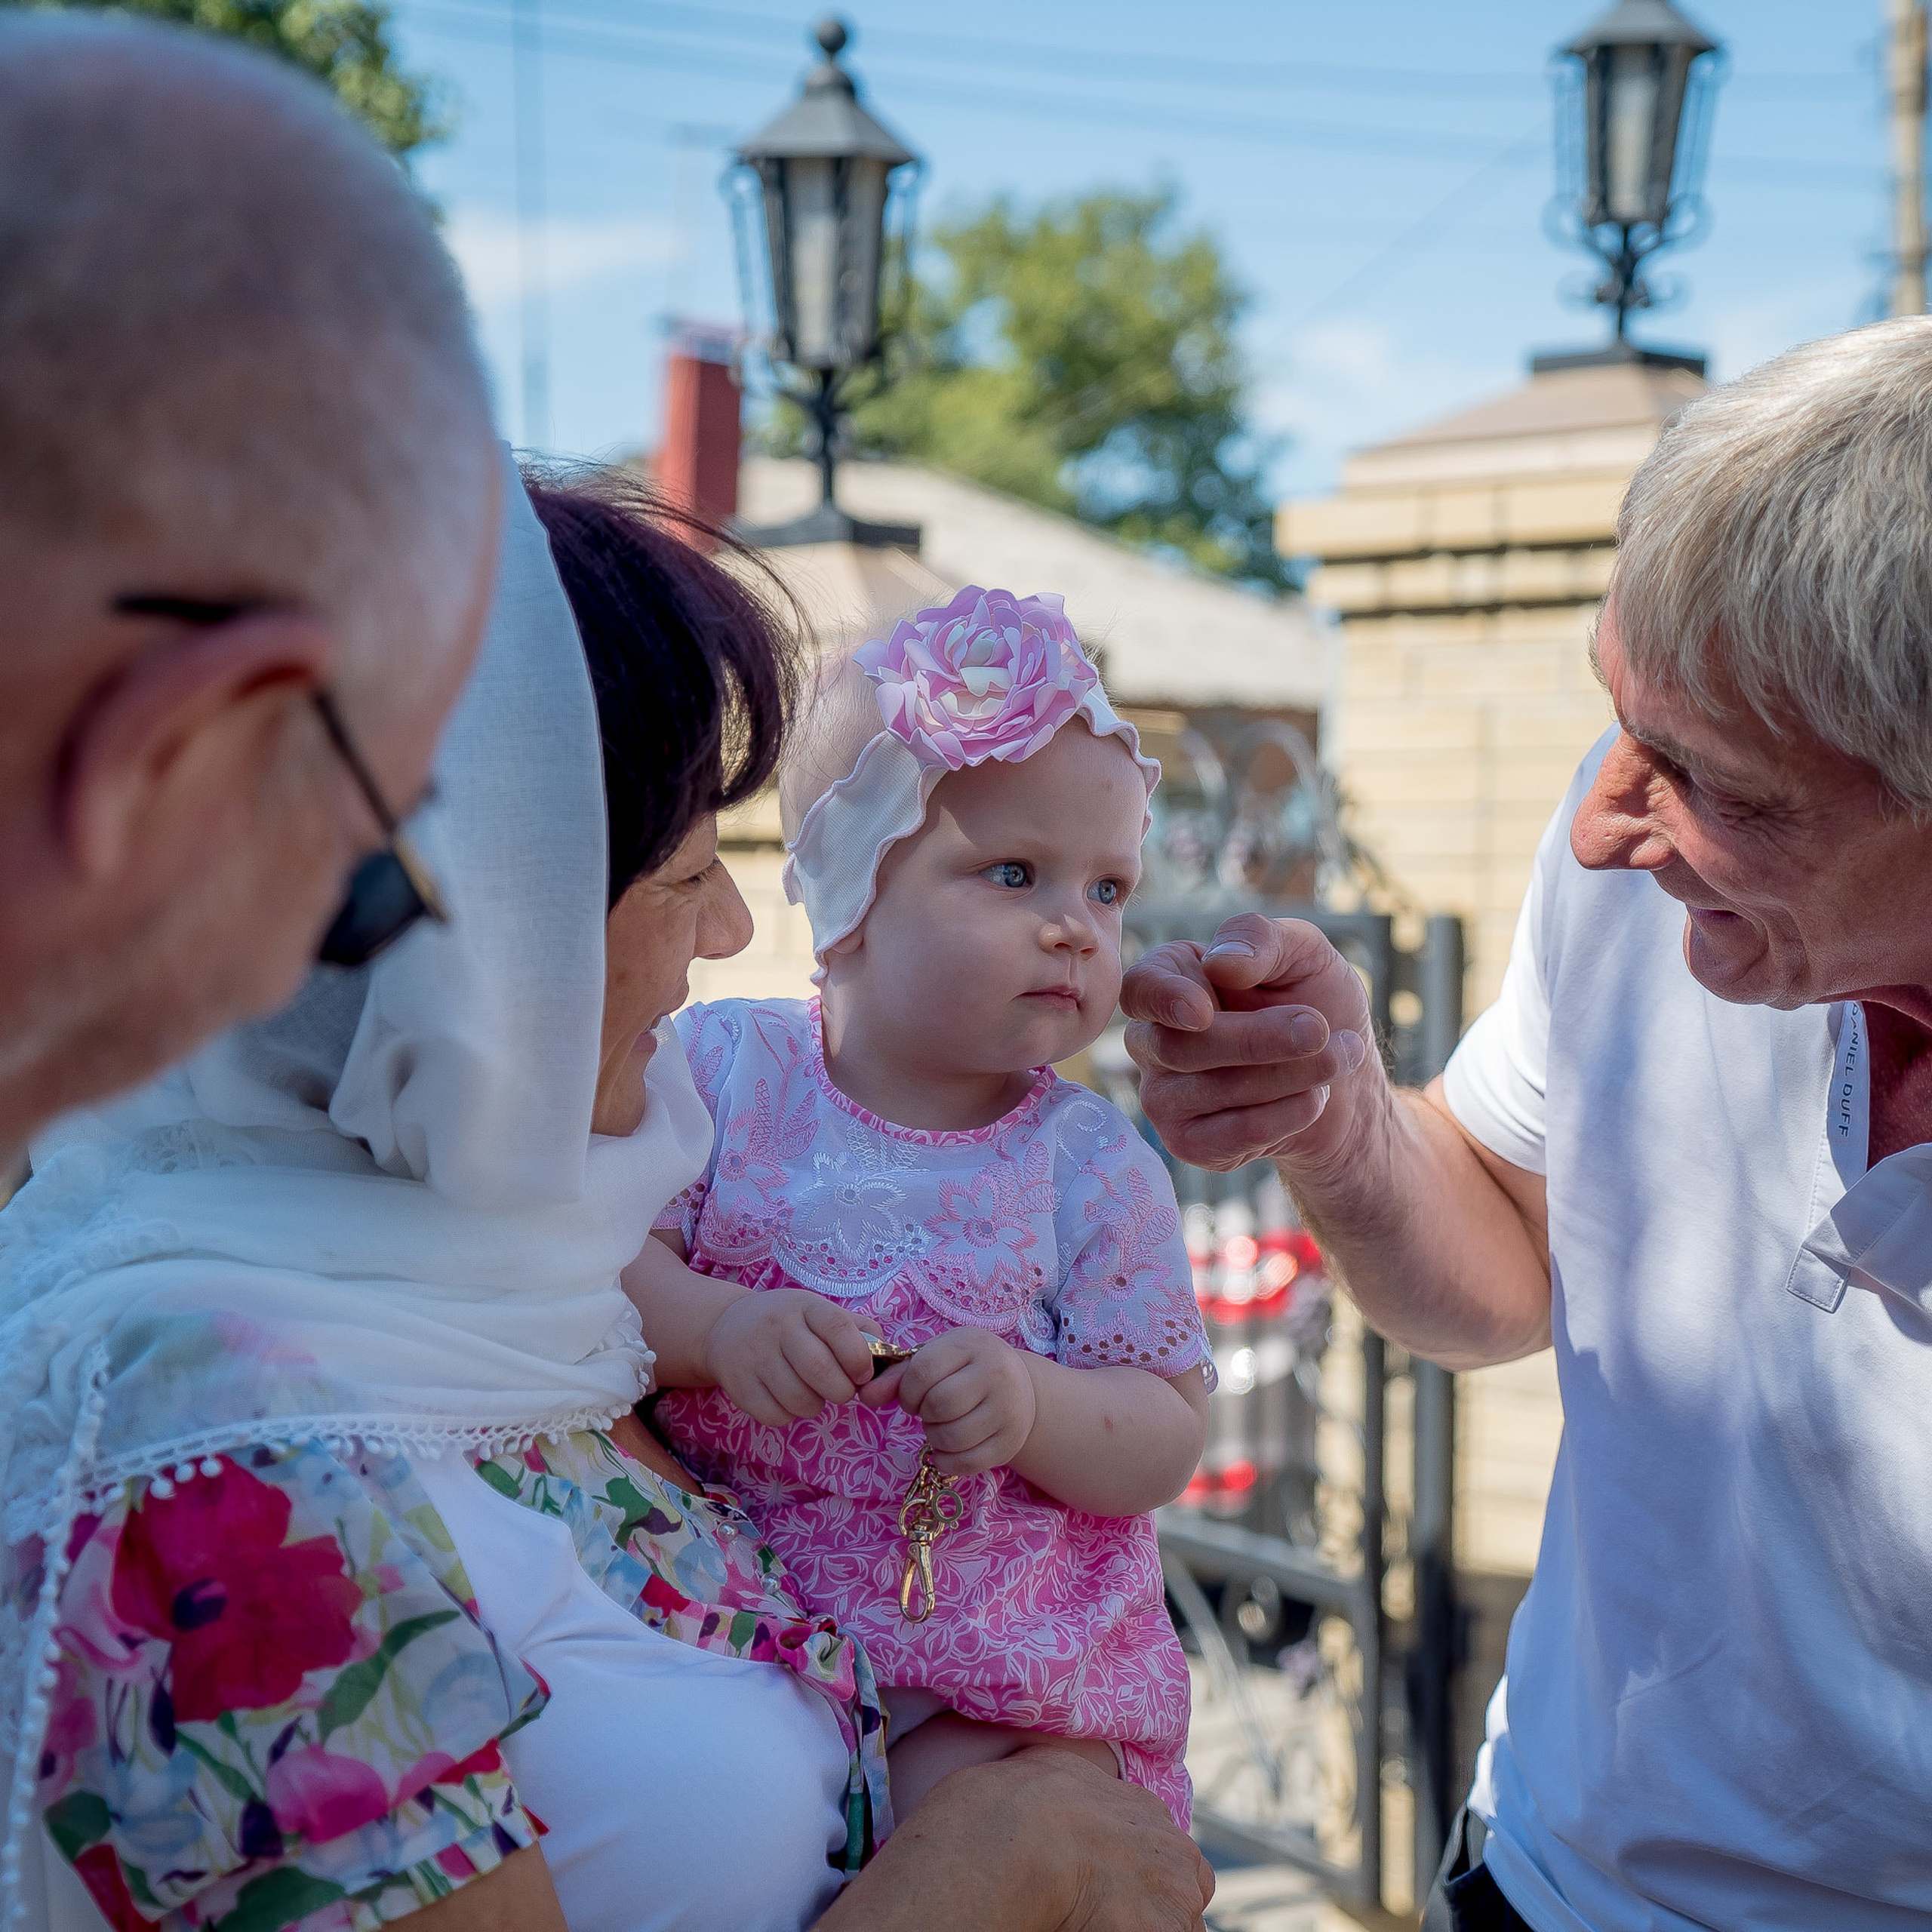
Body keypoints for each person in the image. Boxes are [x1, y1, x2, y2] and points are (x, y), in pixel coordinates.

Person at [9, 474, 1214, 1932]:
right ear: (477, 929)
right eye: (685, 875)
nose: (730, 932)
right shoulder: (204, 1464)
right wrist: (1011, 1861)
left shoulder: (517, 1287)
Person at [1119, 315, 1932, 1930]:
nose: (1597, 821)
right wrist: (1340, 1115)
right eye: (1613, 712)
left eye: (1715, 782)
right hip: (1540, 1878)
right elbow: (1503, 1256)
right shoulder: (1638, 871)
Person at [624, 589, 1213, 1825]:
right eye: (1014, 873)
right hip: (734, 1633)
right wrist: (719, 1330)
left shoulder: (1090, 1168)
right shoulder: (724, 1075)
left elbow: (1164, 1432)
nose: (1073, 928)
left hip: (994, 1691)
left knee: (949, 1850)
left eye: (1110, 890)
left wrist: (1034, 1401)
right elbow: (611, 1262)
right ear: (848, 896)